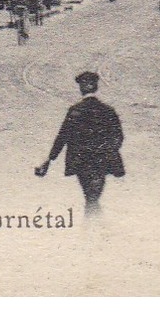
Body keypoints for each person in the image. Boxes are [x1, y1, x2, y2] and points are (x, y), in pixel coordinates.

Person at [35, 71, 125, 216]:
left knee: (90, 196)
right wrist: (106, 150)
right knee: (93, 196)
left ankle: (92, 226)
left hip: (81, 161)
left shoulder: (75, 111)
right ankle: (94, 226)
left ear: (81, 88)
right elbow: (118, 137)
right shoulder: (108, 111)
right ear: (96, 87)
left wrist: (50, 159)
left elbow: (62, 137)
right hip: (102, 161)